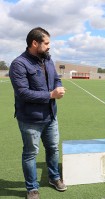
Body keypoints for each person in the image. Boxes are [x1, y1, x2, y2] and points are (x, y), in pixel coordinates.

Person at [9, 27, 67, 199]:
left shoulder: (47, 59)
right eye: (46, 43)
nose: (49, 46)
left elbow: (56, 77)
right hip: (30, 119)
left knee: (53, 148)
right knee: (30, 153)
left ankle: (54, 177)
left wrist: (58, 85)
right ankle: (32, 188)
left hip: (51, 115)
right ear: (35, 43)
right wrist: (50, 95)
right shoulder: (19, 64)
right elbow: (23, 93)